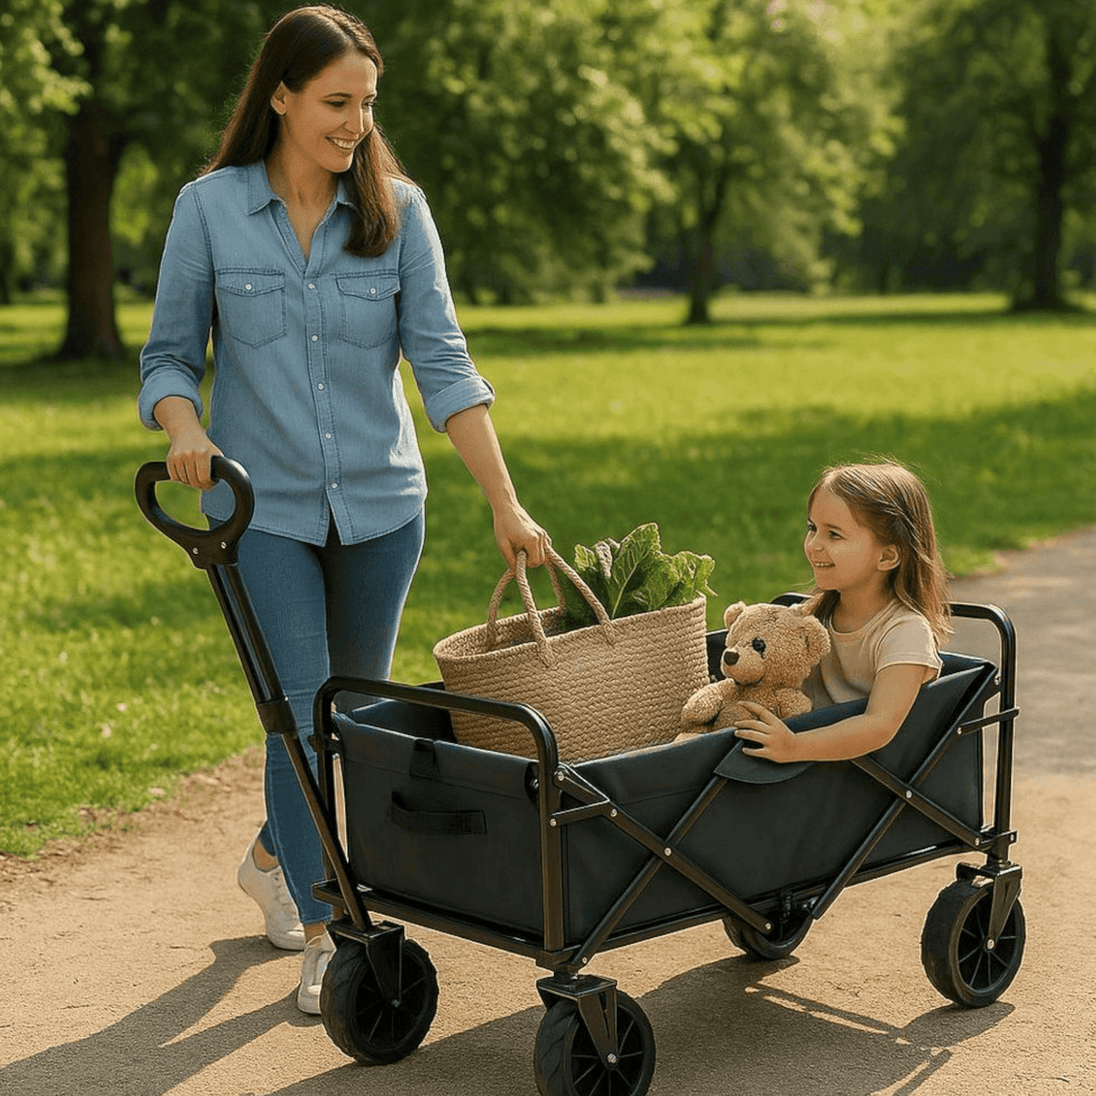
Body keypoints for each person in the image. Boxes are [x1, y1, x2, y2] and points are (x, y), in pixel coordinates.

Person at [137, 5, 550, 1014]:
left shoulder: (398, 211)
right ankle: (333, 931)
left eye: (366, 103)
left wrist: (504, 501)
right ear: (279, 95)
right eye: (335, 101)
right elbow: (167, 356)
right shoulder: (210, 209)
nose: (355, 122)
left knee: (352, 717)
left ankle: (279, 850)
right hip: (259, 507)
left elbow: (446, 366)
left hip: (381, 505)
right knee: (304, 711)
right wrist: (184, 429)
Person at [734, 460, 950, 763]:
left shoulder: (905, 632)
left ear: (887, 556)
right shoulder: (812, 616)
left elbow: (880, 725)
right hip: (805, 760)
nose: (814, 545)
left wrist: (795, 747)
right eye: (812, 528)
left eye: (834, 534)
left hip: (857, 774)